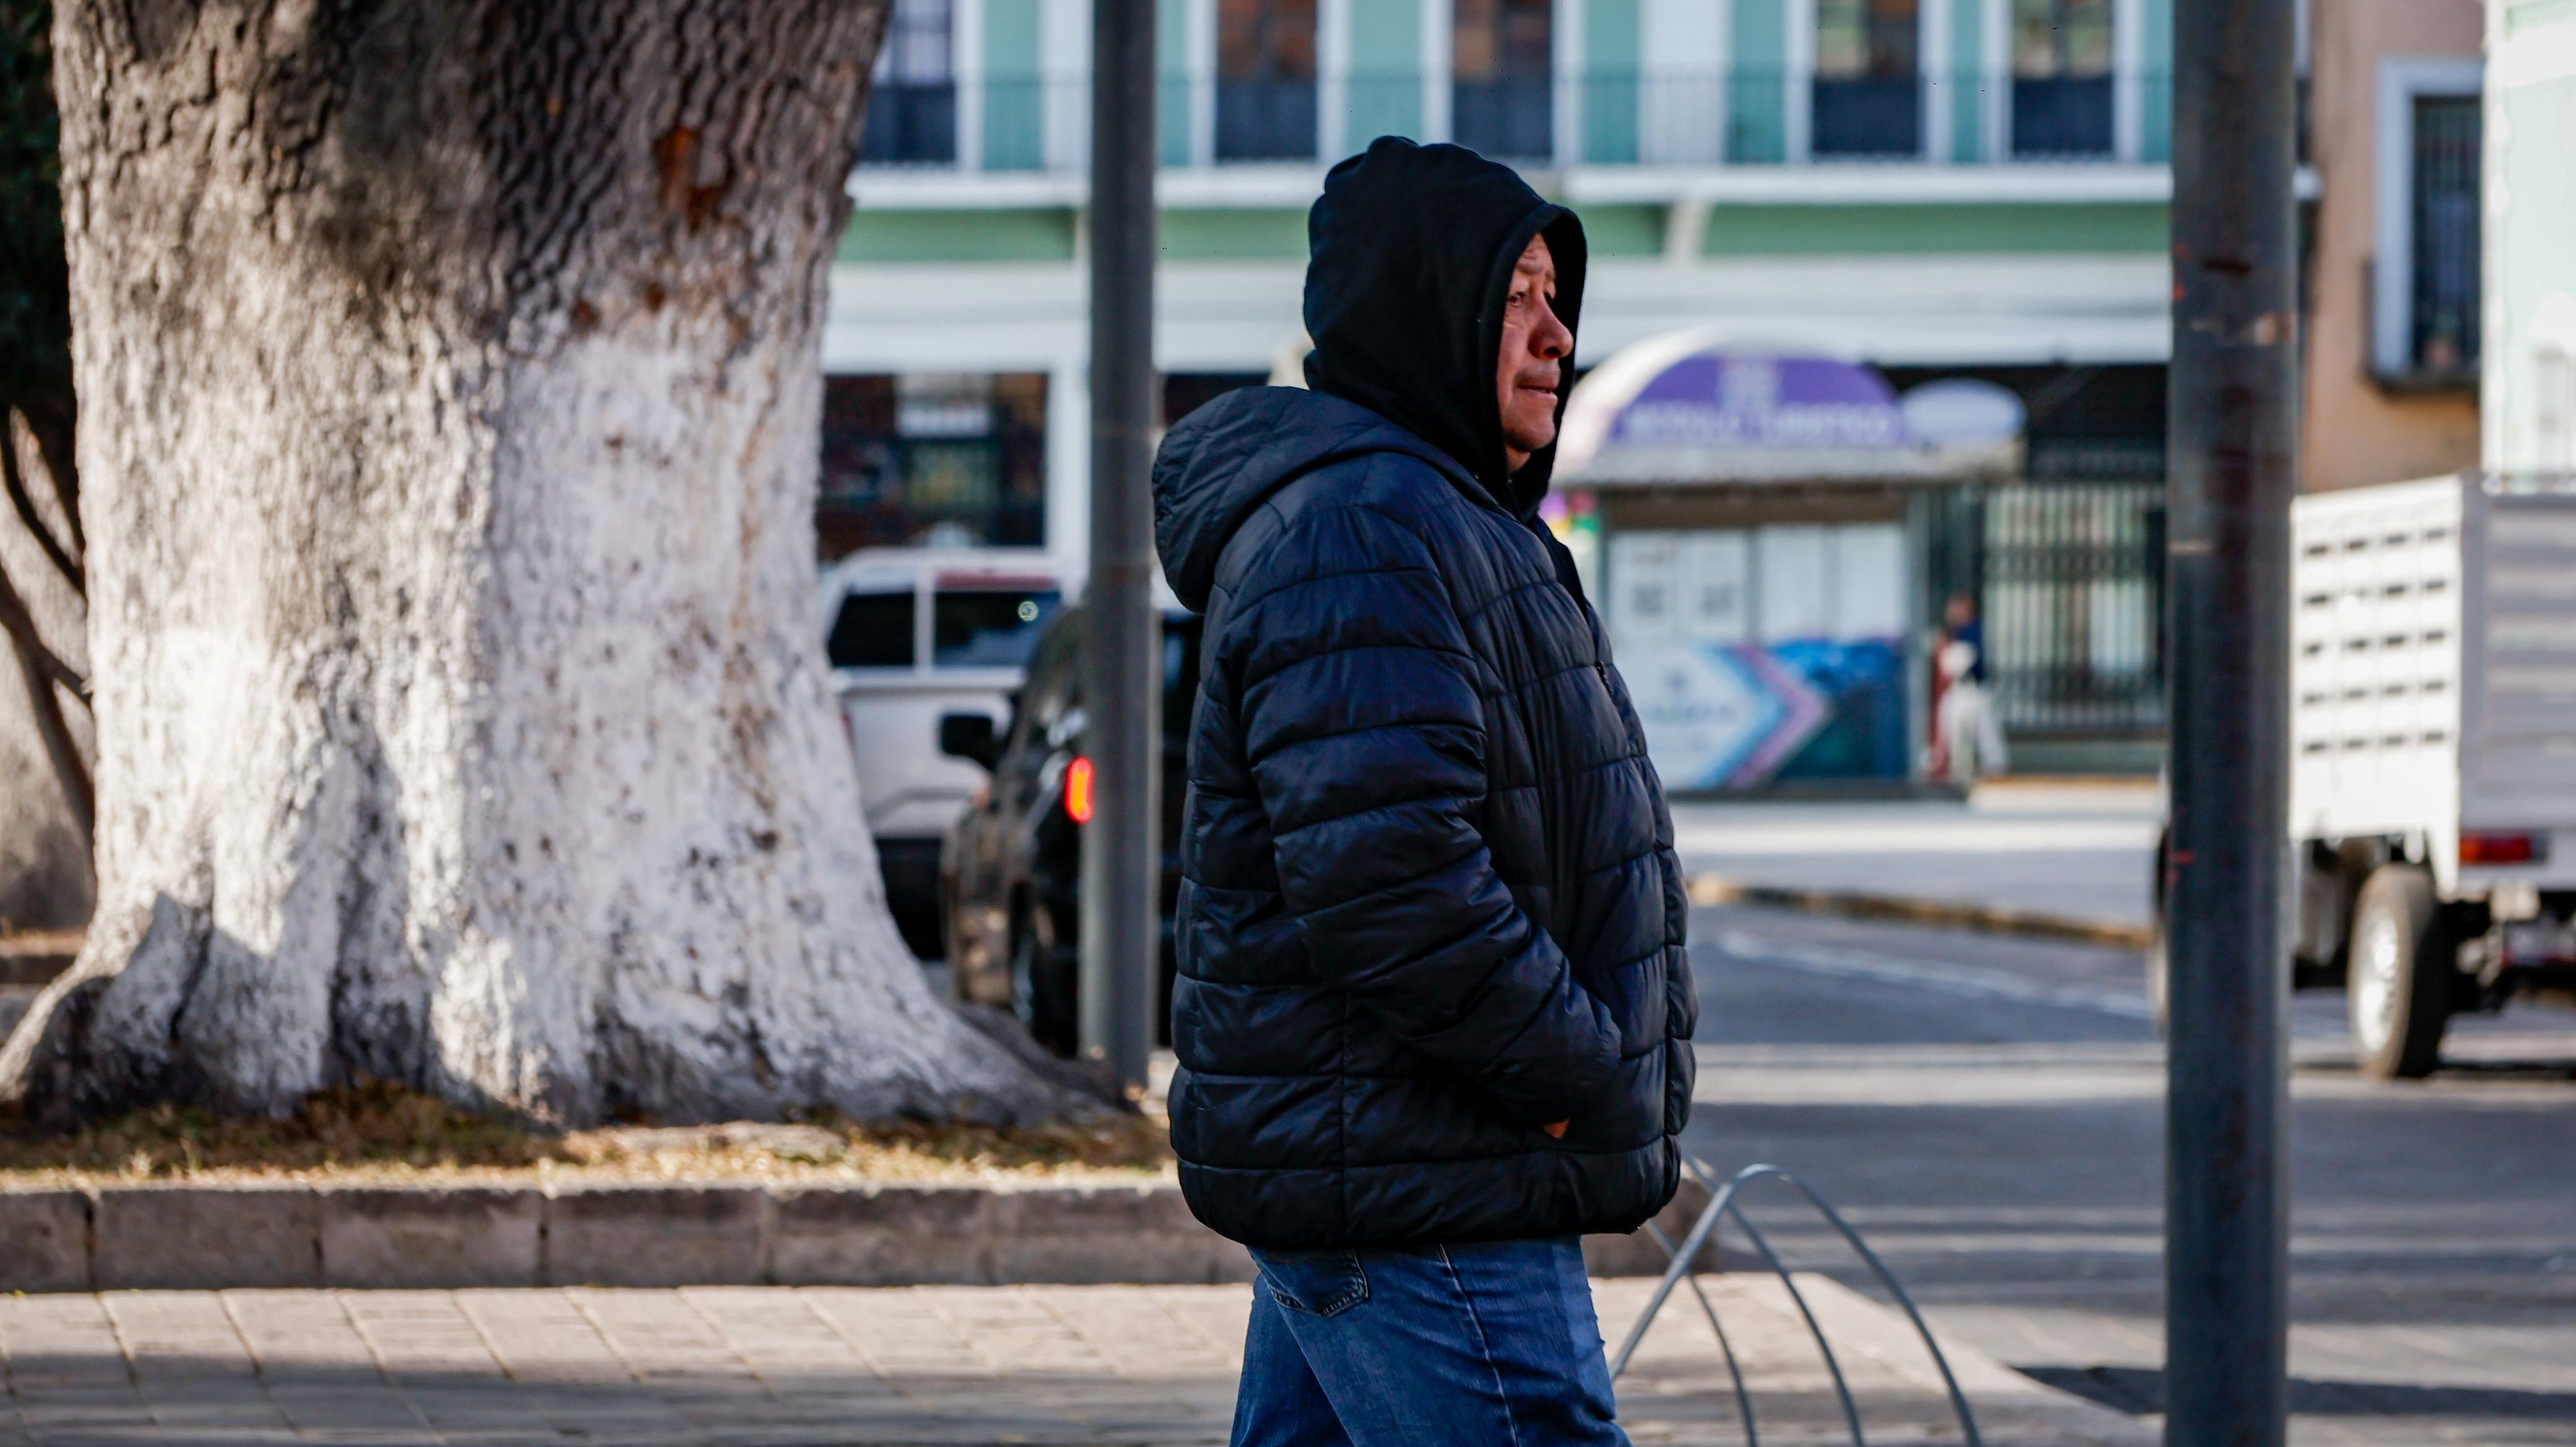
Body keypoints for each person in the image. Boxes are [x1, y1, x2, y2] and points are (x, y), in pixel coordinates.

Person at [1151, 137, 1695, 1447]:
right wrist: (1573, 1071)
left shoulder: (1435, 514)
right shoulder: (1362, 525)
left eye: (1556, 295)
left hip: (1394, 1155)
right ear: (1420, 307)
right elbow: (1391, 876)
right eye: (1514, 294)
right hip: (1428, 1173)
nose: (1554, 333)